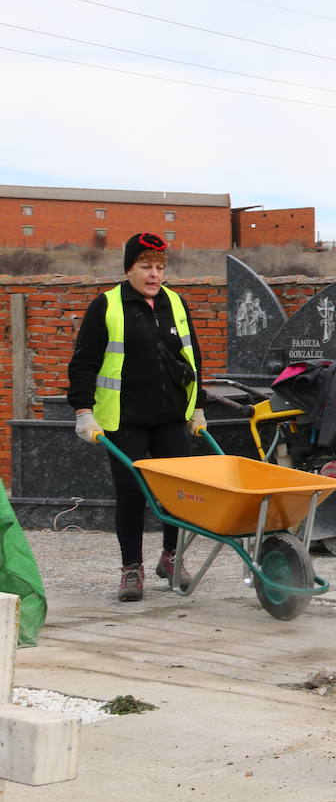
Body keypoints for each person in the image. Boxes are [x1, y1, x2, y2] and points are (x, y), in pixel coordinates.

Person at [67, 232, 206, 602]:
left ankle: (171, 558)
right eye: (145, 266)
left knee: (179, 494)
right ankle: (132, 568)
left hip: (172, 417)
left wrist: (199, 407)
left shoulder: (175, 303)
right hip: (124, 420)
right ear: (129, 268)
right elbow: (84, 362)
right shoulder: (107, 306)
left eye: (160, 267)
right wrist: (83, 411)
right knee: (132, 494)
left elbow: (192, 358)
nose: (154, 274)